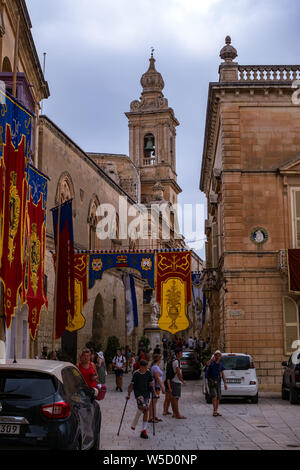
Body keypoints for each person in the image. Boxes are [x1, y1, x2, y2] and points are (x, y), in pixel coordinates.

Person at [126, 359, 157, 439]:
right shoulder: (136, 374)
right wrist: (128, 394)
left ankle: (144, 430)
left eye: (147, 367)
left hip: (146, 394)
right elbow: (131, 385)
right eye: (145, 367)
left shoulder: (148, 373)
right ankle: (135, 423)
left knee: (145, 410)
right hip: (138, 394)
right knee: (144, 408)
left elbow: (151, 383)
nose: (146, 368)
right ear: (141, 367)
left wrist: (154, 392)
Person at [205, 350, 227, 417]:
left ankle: (216, 410)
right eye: (216, 355)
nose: (218, 356)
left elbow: (222, 374)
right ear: (214, 356)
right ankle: (214, 411)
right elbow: (207, 364)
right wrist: (211, 360)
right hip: (211, 382)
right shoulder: (211, 363)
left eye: (219, 355)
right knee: (214, 396)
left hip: (218, 382)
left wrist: (225, 383)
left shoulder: (220, 364)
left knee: (218, 397)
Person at [168, 349, 186, 419]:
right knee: (176, 398)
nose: (182, 354)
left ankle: (175, 413)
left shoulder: (175, 361)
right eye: (181, 353)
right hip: (176, 381)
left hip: (173, 381)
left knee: (174, 398)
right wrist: (182, 380)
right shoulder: (177, 362)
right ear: (178, 354)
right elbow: (178, 372)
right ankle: (177, 414)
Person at [148, 354, 165, 423]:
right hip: (156, 386)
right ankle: (150, 417)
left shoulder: (155, 367)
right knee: (153, 402)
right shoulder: (155, 367)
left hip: (156, 386)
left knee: (154, 402)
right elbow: (157, 378)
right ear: (158, 360)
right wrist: (162, 387)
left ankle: (154, 416)